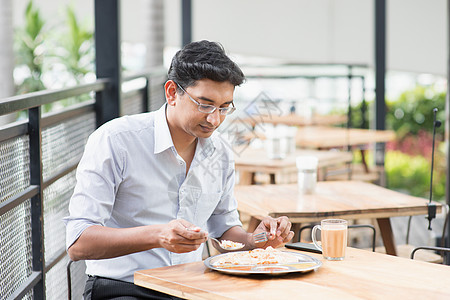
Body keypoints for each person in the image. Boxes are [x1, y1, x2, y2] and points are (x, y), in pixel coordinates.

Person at [64, 40, 294, 299]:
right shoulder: (116, 140)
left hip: (192, 286)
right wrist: (158, 235)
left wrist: (257, 241)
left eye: (224, 107)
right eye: (205, 104)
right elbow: (78, 243)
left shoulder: (220, 151)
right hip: (124, 288)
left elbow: (225, 230)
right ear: (172, 92)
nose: (214, 119)